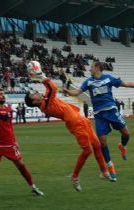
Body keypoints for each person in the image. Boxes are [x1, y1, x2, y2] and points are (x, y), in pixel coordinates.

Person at [24, 61, 112, 191]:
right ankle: (75, 177)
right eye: (33, 94)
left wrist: (40, 76)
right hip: (75, 123)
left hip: (80, 119)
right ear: (34, 101)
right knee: (88, 151)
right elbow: (52, 88)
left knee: (97, 145)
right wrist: (40, 75)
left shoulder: (45, 100)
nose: (36, 92)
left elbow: (50, 88)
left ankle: (104, 172)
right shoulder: (45, 104)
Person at [63, 61, 134, 181]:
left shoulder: (108, 78)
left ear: (98, 68)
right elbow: (77, 92)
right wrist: (68, 92)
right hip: (99, 115)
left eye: (92, 67)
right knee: (102, 143)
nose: (90, 70)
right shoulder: (89, 82)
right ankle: (110, 167)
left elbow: (126, 84)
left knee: (126, 133)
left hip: (112, 111)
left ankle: (122, 146)